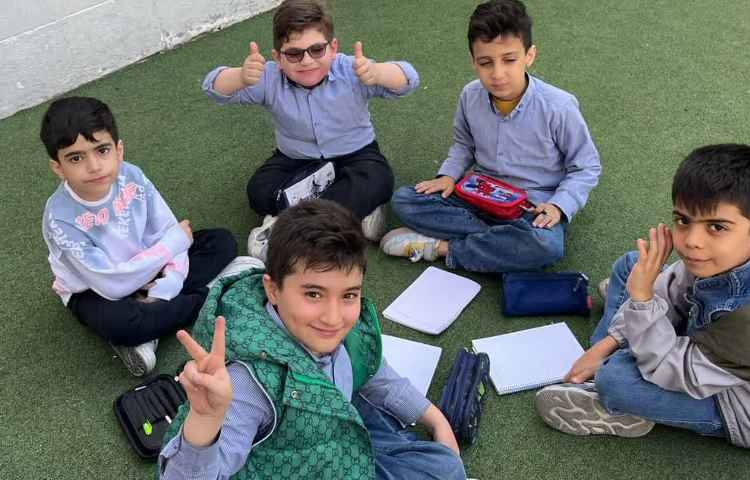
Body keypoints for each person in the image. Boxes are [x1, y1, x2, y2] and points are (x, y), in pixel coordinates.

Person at [158, 199, 466, 479]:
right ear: (273, 289)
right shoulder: (249, 381)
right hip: (286, 464)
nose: (333, 318)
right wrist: (206, 420)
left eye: (348, 295)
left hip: (334, 435)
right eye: (314, 294)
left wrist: (436, 420)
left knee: (445, 466)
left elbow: (375, 373)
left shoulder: (344, 327)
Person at [535, 144, 750, 449]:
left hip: (733, 404)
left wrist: (640, 299)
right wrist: (606, 345)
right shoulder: (718, 259)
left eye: (717, 227)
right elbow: (672, 292)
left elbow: (676, 370)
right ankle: (615, 353)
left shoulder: (744, 320)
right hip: (704, 351)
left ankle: (611, 398)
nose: (692, 241)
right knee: (632, 265)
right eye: (683, 220)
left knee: (617, 380)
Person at [380, 0, 600, 273]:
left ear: (529, 55)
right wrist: (447, 176)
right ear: (473, 60)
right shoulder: (470, 95)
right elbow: (464, 145)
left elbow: (586, 167)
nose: (497, 74)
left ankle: (443, 248)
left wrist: (558, 206)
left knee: (546, 245)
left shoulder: (559, 106)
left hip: (531, 208)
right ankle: (500, 243)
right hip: (477, 196)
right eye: (486, 62)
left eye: (509, 60)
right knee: (405, 199)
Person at [202, 0, 420, 259]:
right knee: (259, 191)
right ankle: (355, 214)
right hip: (296, 161)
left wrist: (379, 72)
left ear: (333, 48)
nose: (307, 61)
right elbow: (213, 87)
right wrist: (239, 77)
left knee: (378, 179)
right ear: (277, 58)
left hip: (356, 155)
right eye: (294, 53)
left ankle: (282, 227)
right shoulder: (269, 77)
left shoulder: (353, 69)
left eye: (317, 49)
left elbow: (409, 78)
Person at [40, 97, 237, 376]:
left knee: (221, 242)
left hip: (151, 264)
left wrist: (168, 285)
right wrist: (171, 249)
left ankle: (153, 324)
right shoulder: (60, 217)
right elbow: (111, 284)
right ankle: (214, 293)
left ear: (118, 150)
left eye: (102, 150)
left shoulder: (131, 175)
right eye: (76, 158)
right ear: (58, 168)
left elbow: (168, 231)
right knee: (122, 324)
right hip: (96, 289)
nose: (94, 166)